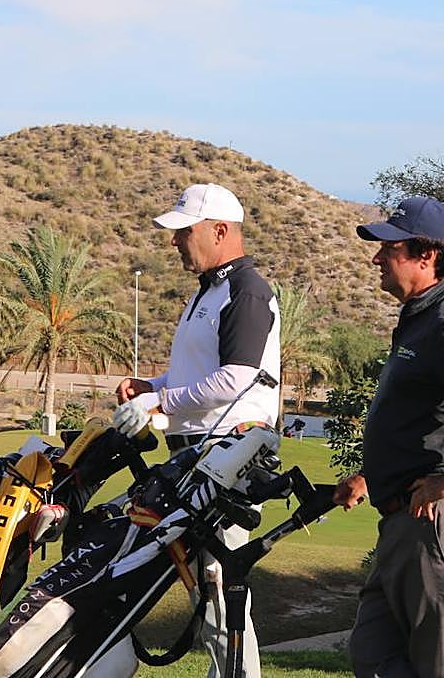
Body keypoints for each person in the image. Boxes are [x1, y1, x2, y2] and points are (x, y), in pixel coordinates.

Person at [334, 195, 444, 678]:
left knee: (442, 668)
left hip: (436, 515)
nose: (376, 258)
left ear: (426, 256)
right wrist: (374, 475)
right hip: (404, 520)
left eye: (388, 248)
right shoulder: (422, 319)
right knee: (372, 654)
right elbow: (427, 418)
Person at [112, 182, 280, 678]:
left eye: (185, 231)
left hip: (226, 460)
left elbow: (236, 378)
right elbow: (198, 376)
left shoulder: (247, 291)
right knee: (208, 592)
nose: (176, 241)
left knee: (219, 591)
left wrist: (160, 401)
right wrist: (153, 384)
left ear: (220, 231)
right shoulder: (210, 292)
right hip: (199, 457)